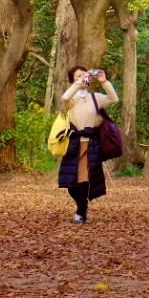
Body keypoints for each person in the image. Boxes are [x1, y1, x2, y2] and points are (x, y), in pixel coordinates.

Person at [57, 66, 117, 224]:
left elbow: (114, 98)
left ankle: (80, 213)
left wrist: (104, 82)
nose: (84, 78)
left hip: (90, 144)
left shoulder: (95, 98)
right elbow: (64, 98)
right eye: (78, 76)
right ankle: (82, 206)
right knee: (70, 184)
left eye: (85, 75)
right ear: (72, 80)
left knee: (83, 180)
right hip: (73, 144)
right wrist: (78, 83)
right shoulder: (70, 100)